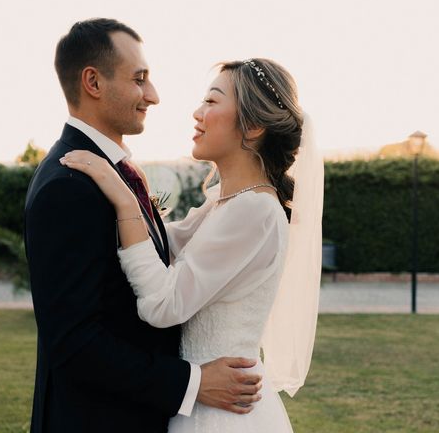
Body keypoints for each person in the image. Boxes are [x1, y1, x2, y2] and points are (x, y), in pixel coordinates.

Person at [23, 18, 265, 433]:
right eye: (139, 80)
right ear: (93, 83)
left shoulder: (114, 175)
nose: (152, 96)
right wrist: (194, 382)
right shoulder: (68, 185)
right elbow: (75, 344)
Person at [62, 57, 324, 431]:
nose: (197, 113)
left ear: (251, 127)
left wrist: (123, 200)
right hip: (202, 403)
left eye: (212, 101)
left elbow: (163, 304)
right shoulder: (226, 203)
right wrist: (133, 189)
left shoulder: (254, 210)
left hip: (221, 415)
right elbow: (159, 246)